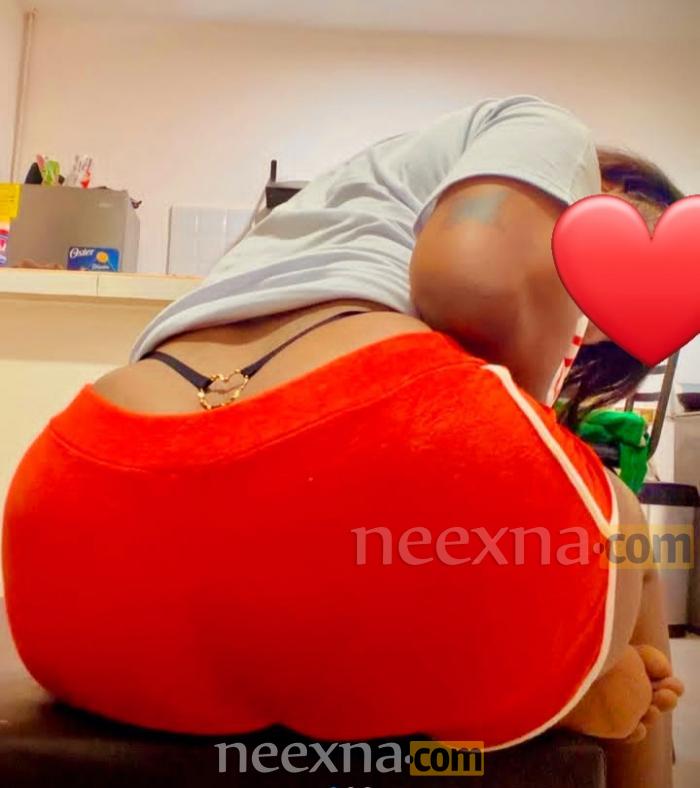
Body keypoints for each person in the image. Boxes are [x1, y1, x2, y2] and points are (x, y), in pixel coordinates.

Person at [2, 95, 685, 787]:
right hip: (365, 467)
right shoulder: (543, 128)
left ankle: (538, 689)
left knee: (332, 640)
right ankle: (565, 690)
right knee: (624, 531)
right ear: (608, 190)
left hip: (79, 536)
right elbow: (479, 284)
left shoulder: (319, 213)